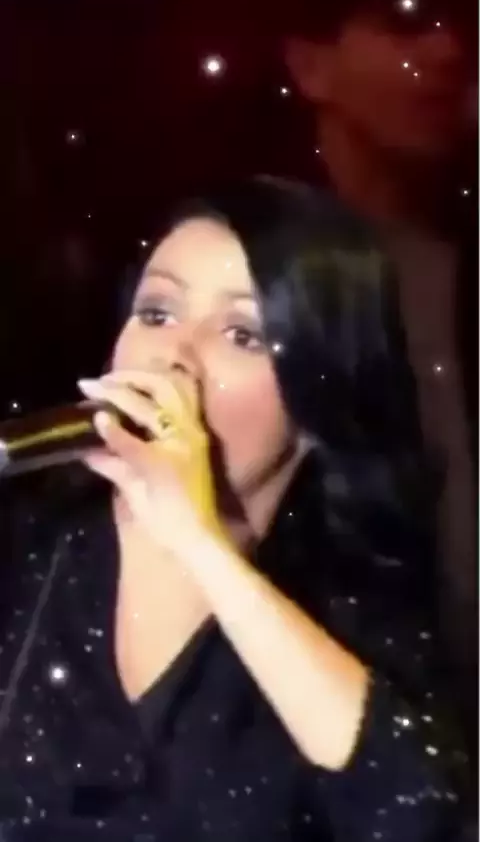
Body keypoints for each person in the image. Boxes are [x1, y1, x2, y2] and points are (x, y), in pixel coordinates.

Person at [0, 178, 469, 840]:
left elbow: (421, 811)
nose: (174, 357)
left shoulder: (347, 619)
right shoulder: (34, 545)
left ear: (315, 402)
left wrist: (197, 542)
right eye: (156, 313)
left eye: (242, 334)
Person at [281, 0, 477, 757]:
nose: (448, 52)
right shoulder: (248, 279)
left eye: (459, 23)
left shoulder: (452, 265)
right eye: (404, 19)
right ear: (310, 65)